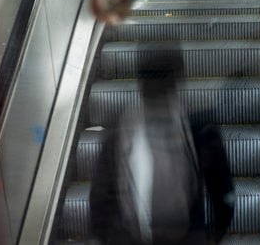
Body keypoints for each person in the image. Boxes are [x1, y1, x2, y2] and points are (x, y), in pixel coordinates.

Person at [89, 47, 235, 244]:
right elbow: (222, 193)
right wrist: (212, 237)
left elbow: (100, 200)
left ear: (140, 81)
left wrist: (105, 237)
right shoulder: (199, 128)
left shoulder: (119, 129)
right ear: (177, 79)